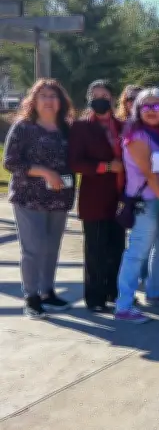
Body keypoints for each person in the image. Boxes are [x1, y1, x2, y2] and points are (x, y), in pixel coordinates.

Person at [4, 79, 76, 319]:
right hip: (29, 197)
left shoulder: (67, 128)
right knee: (33, 248)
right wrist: (45, 171)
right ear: (33, 101)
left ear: (61, 102)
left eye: (53, 96)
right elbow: (11, 162)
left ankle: (47, 292)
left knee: (51, 247)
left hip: (59, 197)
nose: (48, 100)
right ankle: (31, 296)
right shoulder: (23, 127)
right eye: (43, 95)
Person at [114, 89, 159, 323]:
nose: (152, 111)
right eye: (146, 106)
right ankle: (123, 305)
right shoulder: (136, 136)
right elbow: (149, 175)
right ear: (137, 110)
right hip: (148, 202)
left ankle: (154, 292)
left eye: (157, 105)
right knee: (137, 253)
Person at [68, 80, 126, 313]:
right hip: (94, 196)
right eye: (95, 95)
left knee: (117, 247)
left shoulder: (122, 126)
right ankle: (95, 297)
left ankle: (113, 292)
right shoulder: (81, 127)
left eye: (105, 94)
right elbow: (75, 162)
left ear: (112, 99)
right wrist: (105, 167)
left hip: (120, 196)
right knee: (96, 249)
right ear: (89, 99)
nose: (100, 99)